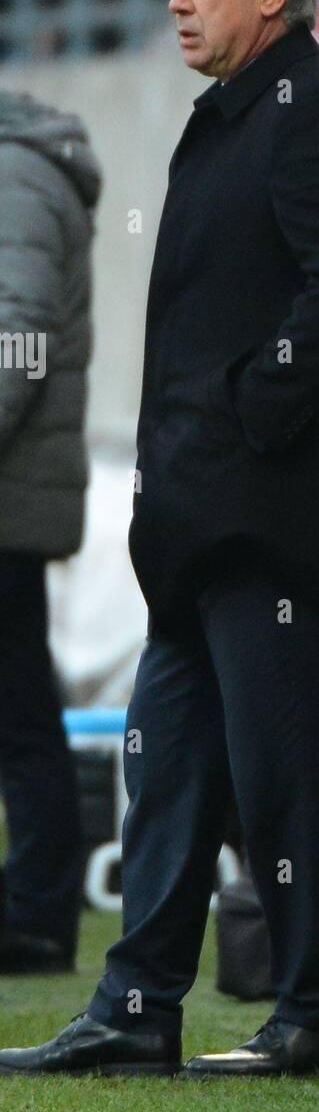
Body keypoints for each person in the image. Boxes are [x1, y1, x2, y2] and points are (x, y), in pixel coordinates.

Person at [0, 0, 319, 1080]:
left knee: (279, 770)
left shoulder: (315, 111)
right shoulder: (233, 114)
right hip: (198, 519)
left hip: (265, 518)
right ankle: (136, 1006)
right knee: (164, 767)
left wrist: (246, 416)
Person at [0, 91, 100, 974]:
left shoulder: (16, 169)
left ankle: (34, 916)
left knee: (22, 710)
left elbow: (19, 339)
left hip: (8, 495)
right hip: (18, 493)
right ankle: (32, 911)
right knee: (22, 703)